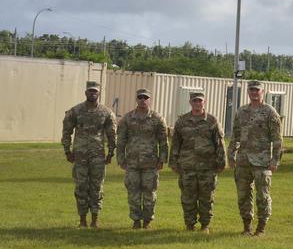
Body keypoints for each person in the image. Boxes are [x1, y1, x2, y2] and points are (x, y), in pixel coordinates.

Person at [229, 80, 282, 236]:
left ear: (262, 92)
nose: (254, 93)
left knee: (262, 196)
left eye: (257, 90)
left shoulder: (270, 112)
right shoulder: (241, 111)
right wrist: (231, 155)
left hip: (262, 162)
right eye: (251, 90)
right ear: (248, 92)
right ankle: (246, 226)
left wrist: (275, 160)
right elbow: (235, 136)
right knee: (243, 195)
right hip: (243, 161)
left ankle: (261, 227)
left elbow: (277, 139)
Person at [61, 80, 116, 228]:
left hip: (98, 156)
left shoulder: (106, 112)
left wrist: (110, 153)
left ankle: (95, 219)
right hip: (80, 156)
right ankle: (82, 219)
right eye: (90, 91)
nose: (92, 93)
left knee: (97, 187)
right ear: (85, 93)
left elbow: (112, 134)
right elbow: (66, 131)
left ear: (99, 93)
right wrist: (67, 151)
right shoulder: (75, 111)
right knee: (81, 187)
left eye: (95, 91)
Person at [169, 91, 226, 233]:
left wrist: (221, 162)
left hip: (207, 167)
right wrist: (173, 162)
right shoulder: (182, 121)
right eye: (194, 101)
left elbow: (219, 143)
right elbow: (176, 143)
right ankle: (190, 224)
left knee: (206, 198)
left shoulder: (212, 121)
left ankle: (205, 225)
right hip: (187, 166)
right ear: (190, 102)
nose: (197, 103)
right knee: (188, 198)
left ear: (204, 102)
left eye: (200, 101)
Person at [116, 88, 168, 229]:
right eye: (140, 97)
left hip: (150, 163)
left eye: (145, 98)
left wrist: (162, 160)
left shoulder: (157, 118)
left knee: (149, 193)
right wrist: (121, 159)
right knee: (133, 193)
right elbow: (121, 140)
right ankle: (136, 221)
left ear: (150, 100)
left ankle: (147, 221)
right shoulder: (127, 118)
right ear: (136, 99)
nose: (143, 100)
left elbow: (163, 141)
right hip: (131, 163)